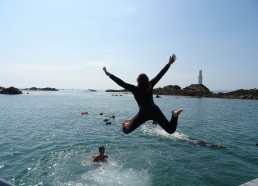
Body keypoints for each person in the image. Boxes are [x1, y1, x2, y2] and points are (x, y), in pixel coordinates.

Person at [103, 54, 183, 134]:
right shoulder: (150, 84)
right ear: (147, 80)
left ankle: (127, 123)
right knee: (171, 130)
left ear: (137, 81)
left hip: (144, 112)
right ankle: (174, 115)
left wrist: (108, 74)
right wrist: (169, 64)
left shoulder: (135, 89)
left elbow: (121, 83)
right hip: (155, 110)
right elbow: (160, 75)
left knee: (126, 131)